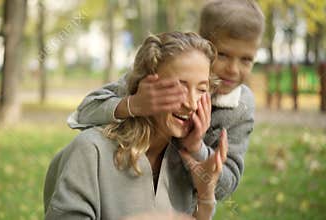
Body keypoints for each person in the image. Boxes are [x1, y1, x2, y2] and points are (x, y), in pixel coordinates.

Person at [67, 0, 265, 200]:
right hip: (130, 187)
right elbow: (83, 113)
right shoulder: (159, 74)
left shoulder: (241, 106)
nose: (233, 69)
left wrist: (197, 149)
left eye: (246, 59)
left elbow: (223, 189)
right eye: (222, 55)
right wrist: (134, 104)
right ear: (203, 44)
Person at [44, 32, 228, 220]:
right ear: (145, 83)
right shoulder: (91, 150)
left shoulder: (186, 162)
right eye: (179, 86)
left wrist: (205, 196)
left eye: (202, 89)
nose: (191, 104)